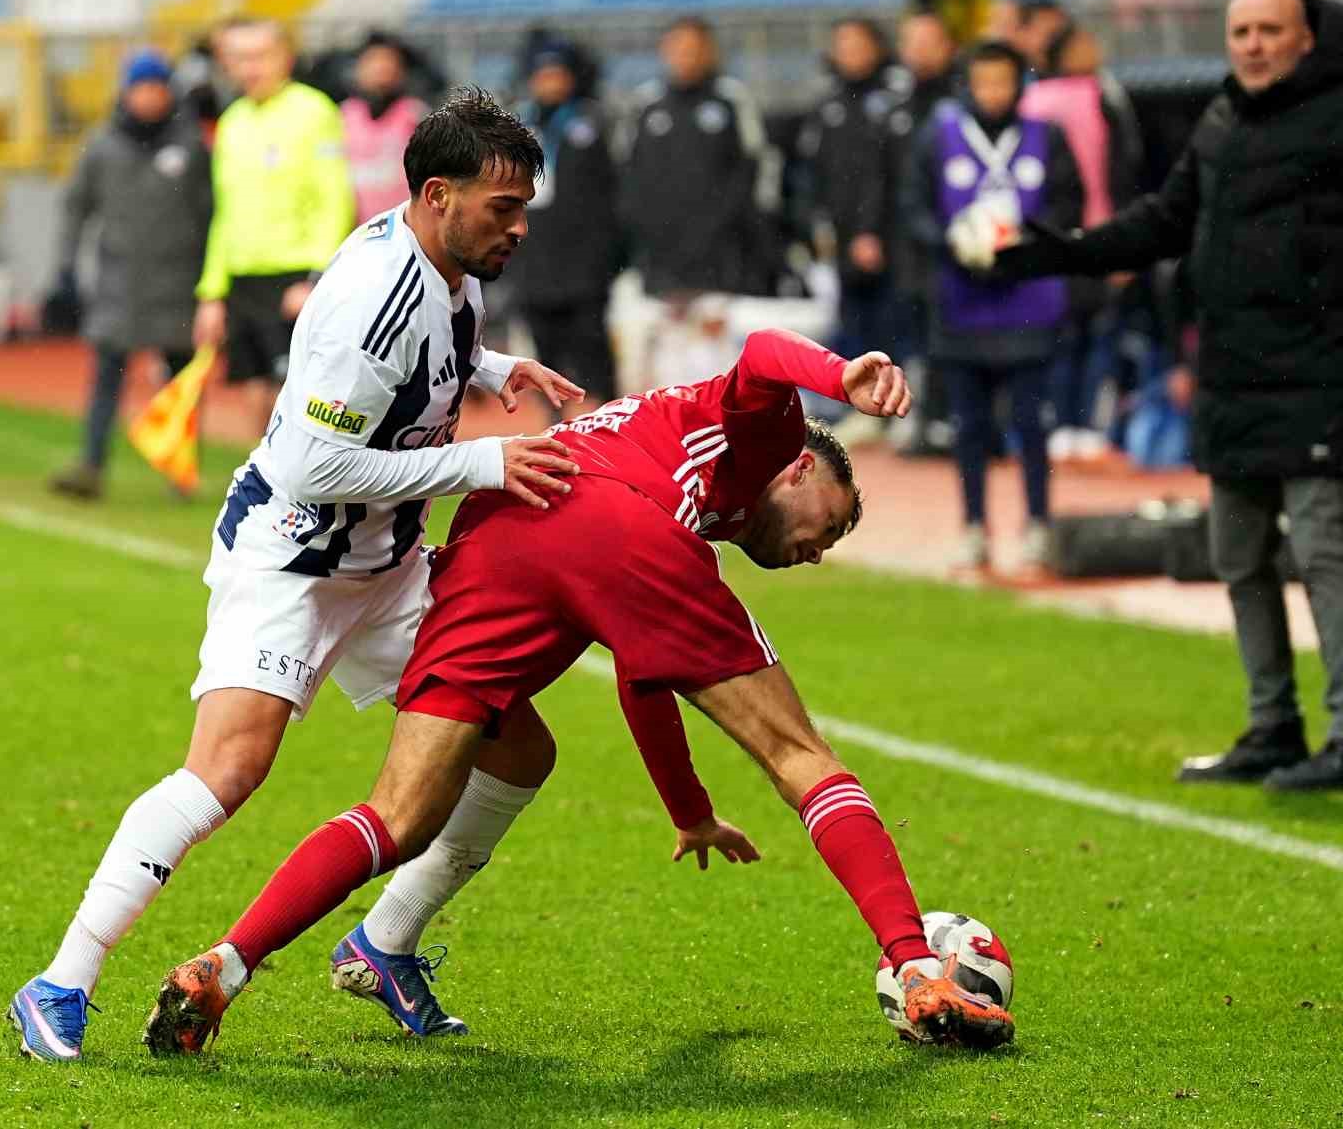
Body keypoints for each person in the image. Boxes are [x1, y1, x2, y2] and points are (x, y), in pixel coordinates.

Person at [144, 331, 1016, 1053]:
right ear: (796, 471)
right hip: (608, 519)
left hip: (506, 518)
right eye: (828, 521)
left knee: (405, 808)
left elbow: (645, 679)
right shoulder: (758, 438)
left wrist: (689, 808)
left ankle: (227, 962)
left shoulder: (676, 478)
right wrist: (841, 377)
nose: (818, 548)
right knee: (801, 755)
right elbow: (758, 351)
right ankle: (912, 963)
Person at [6, 87, 587, 1062]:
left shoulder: (449, 262)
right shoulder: (376, 297)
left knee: (517, 747)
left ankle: (384, 940)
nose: (519, 226)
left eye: (525, 206)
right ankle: (60, 980)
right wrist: (483, 461)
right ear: (438, 194)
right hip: (294, 556)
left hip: (386, 564)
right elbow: (318, 464)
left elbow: (426, 352)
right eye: (504, 208)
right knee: (227, 769)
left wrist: (489, 369)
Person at [995, 0, 1343, 790]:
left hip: (1319, 375)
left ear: (1304, 40)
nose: (1253, 45)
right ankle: (1272, 727)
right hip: (1233, 376)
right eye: (1241, 31)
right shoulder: (1222, 119)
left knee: (1326, 555)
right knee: (1239, 555)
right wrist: (1059, 250)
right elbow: (1163, 219)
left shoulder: (1334, 118)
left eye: (1270, 31)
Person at [899, 41, 1083, 572]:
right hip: (960, 303)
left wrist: (1022, 237)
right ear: (967, 85)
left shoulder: (1046, 138)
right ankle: (975, 526)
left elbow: (1069, 204)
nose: (993, 93)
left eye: (1003, 82)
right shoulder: (938, 137)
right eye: (983, 82)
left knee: (1032, 424)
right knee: (969, 426)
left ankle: (1039, 525)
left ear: (1019, 85)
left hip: (1030, 302)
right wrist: (954, 239)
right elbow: (912, 207)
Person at [47, 51, 214, 501]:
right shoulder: (101, 145)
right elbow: (76, 208)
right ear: (125, 91)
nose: (148, 97)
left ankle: (180, 470)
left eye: (157, 88)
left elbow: (210, 212)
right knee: (105, 379)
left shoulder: (191, 145)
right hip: (119, 281)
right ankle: (91, 464)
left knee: (180, 385)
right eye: (140, 88)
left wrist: (211, 279)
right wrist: (64, 265)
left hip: (178, 282)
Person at [191, 17, 356, 440]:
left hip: (296, 276)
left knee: (302, 397)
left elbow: (333, 199)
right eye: (240, 58)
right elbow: (223, 213)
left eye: (260, 56)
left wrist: (317, 278)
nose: (250, 67)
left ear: (285, 56)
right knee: (254, 390)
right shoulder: (231, 122)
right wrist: (212, 291)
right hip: (244, 279)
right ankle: (270, 489)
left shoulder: (315, 111)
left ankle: (308, 492)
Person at [1019, 23, 1143, 462]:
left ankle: (1082, 426)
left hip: (1082, 237)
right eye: (1083, 43)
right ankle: (1070, 424)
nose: (1093, 49)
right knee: (1074, 335)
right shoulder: (1078, 97)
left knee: (1090, 334)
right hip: (1072, 239)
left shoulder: (1088, 95)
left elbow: (1123, 170)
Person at [786, 17, 910, 441]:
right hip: (841, 243)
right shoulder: (828, 107)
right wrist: (813, 225)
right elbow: (808, 176)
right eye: (842, 44)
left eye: (858, 43)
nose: (850, 52)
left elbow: (891, 175)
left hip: (892, 240)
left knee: (894, 323)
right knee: (853, 325)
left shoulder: (898, 98)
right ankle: (862, 409)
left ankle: (901, 411)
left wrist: (873, 230)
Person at [621, 15, 776, 301]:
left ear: (710, 51)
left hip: (724, 252)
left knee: (722, 338)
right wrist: (647, 227)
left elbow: (756, 166)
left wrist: (733, 223)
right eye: (678, 48)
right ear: (664, 52)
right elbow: (629, 173)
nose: (685, 56)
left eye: (694, 48)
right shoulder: (646, 104)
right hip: (661, 253)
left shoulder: (732, 100)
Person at [507, 33, 622, 415]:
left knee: (593, 352)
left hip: (584, 263)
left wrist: (609, 254)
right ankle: (553, 428)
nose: (550, 82)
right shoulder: (515, 125)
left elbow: (615, 193)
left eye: (558, 73)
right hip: (533, 261)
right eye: (543, 74)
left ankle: (607, 427)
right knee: (543, 354)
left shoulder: (594, 122)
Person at [890, 9, 960, 456]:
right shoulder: (892, 105)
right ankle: (917, 418)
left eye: (928, 40)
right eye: (912, 41)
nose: (919, 50)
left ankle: (946, 419)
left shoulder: (959, 103)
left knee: (949, 330)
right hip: (902, 242)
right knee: (910, 331)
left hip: (952, 241)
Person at [339, 31, 427, 223]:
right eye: (373, 63)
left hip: (403, 227)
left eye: (388, 63)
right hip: (355, 229)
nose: (381, 70)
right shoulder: (344, 115)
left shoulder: (415, 116)